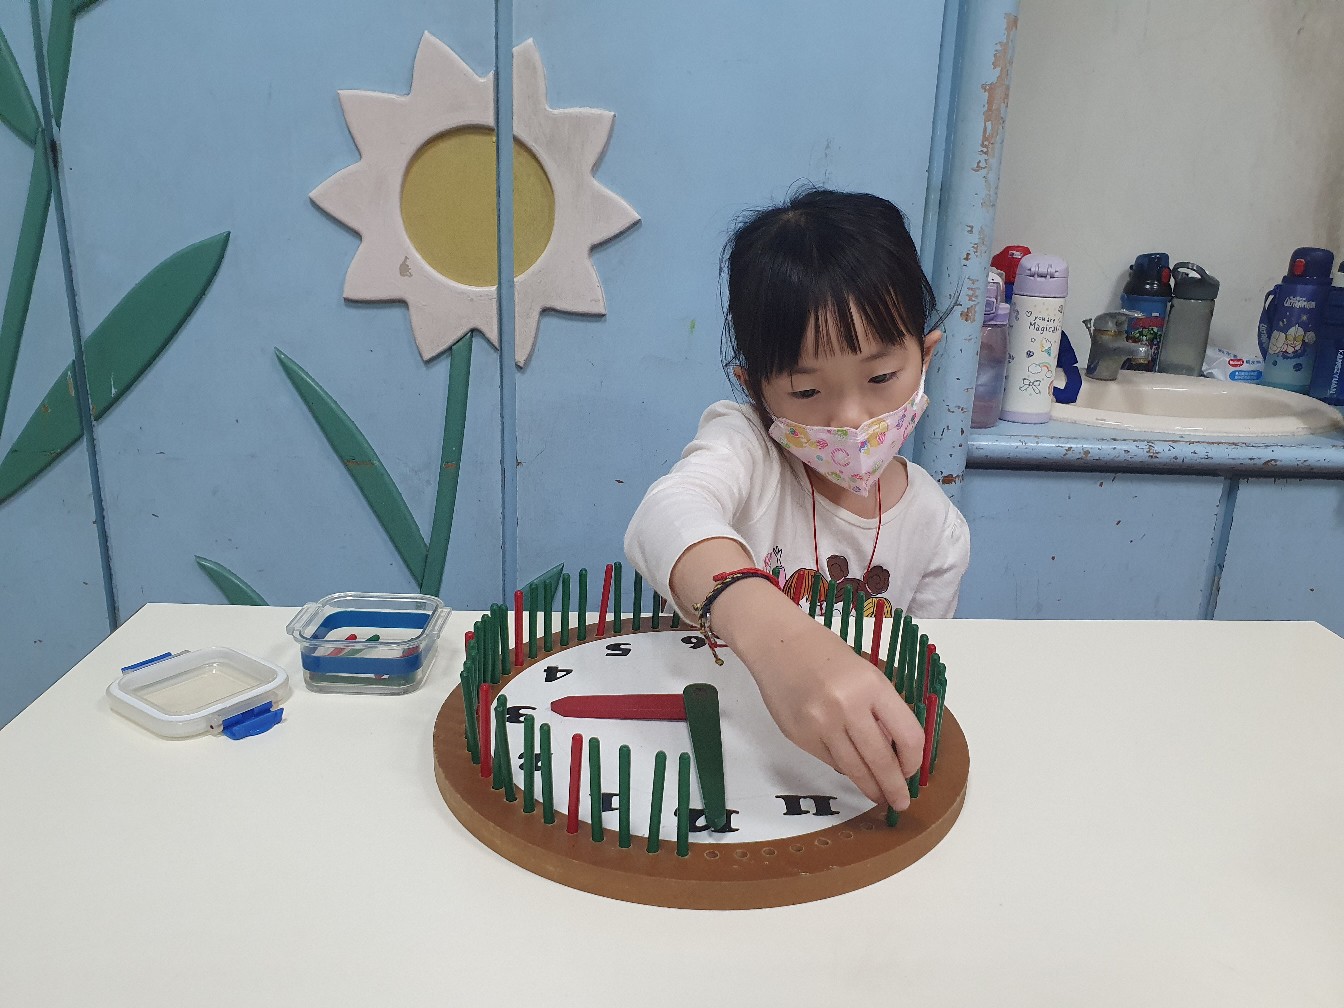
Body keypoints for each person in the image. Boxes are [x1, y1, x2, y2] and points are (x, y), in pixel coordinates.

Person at [624, 188, 970, 813]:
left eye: (881, 377)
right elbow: (666, 513)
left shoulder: (937, 529)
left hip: (841, 785)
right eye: (807, 391)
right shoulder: (747, 448)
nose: (850, 417)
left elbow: (912, 685)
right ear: (755, 390)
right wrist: (779, 639)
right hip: (720, 760)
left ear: (926, 357)